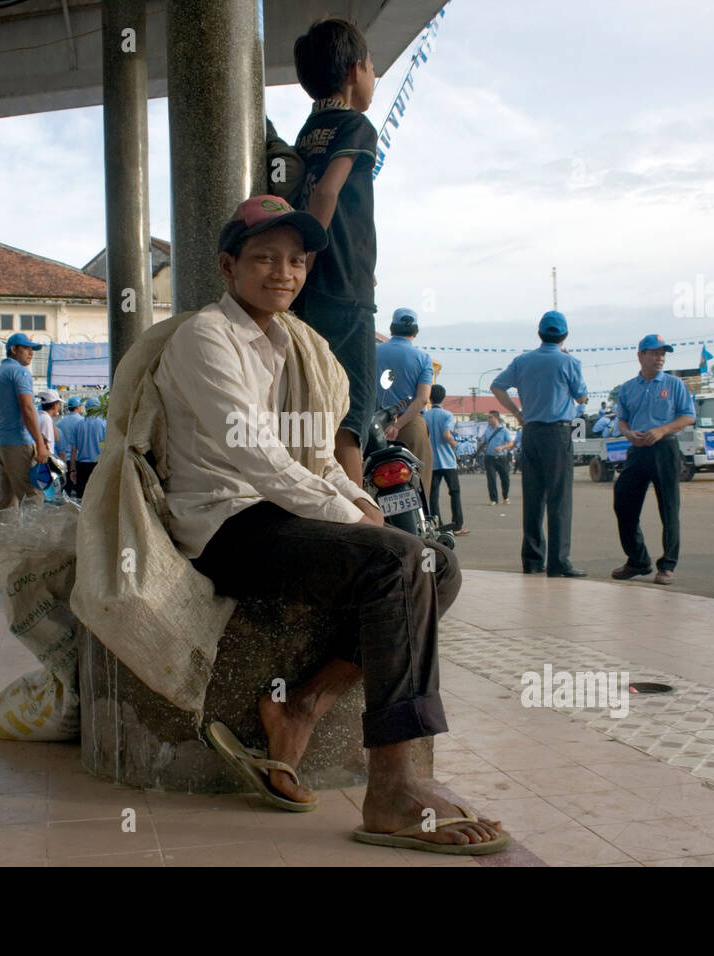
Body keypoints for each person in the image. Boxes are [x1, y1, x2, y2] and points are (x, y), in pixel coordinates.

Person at [151, 195, 504, 854]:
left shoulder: (285, 344)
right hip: (226, 524)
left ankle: (303, 704)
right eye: (264, 258)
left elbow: (309, 459)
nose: (282, 272)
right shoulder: (207, 336)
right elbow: (251, 455)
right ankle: (395, 788)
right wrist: (356, 518)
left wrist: (359, 500)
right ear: (229, 266)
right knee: (396, 562)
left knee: (434, 563)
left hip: (278, 510)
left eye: (296, 260)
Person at [291, 17, 379, 484]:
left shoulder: (308, 132)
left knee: (315, 411)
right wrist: (305, 258)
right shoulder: (356, 125)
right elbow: (327, 193)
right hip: (343, 290)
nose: (373, 78)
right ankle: (360, 525)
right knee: (351, 416)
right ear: (353, 71)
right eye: (371, 67)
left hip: (313, 296)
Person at [490, 310, 589, 577]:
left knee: (533, 498)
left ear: (539, 333)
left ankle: (532, 560)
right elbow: (581, 398)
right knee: (559, 499)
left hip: (530, 431)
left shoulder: (523, 361)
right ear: (564, 336)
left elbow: (496, 386)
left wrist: (517, 413)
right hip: (557, 433)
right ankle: (559, 562)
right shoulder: (569, 362)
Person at [609, 335, 697, 586]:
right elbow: (622, 420)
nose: (660, 358)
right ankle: (637, 560)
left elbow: (688, 416)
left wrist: (662, 430)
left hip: (665, 448)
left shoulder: (674, 384)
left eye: (663, 354)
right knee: (623, 503)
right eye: (654, 353)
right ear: (640, 356)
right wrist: (627, 433)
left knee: (669, 508)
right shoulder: (627, 388)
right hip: (637, 450)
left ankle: (667, 565)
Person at [0, 331, 50, 509]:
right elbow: (27, 408)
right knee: (32, 497)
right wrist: (40, 443)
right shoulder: (20, 372)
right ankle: (32, 537)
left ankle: (0, 537)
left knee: (7, 502)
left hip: (0, 444)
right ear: (13, 349)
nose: (30, 353)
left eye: (32, 349)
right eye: (26, 348)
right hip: (18, 443)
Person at [375, 308, 434, 494]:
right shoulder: (423, 358)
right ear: (415, 331)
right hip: (410, 424)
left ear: (392, 328)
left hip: (375, 426)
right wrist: (398, 425)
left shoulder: (373, 353)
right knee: (419, 484)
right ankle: (422, 520)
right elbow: (423, 398)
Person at [423, 384, 467, 534]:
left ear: (430, 398)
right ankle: (457, 525)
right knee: (454, 492)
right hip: (448, 461)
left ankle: (437, 525)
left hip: (432, 461)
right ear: (443, 397)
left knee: (433, 495)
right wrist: (456, 445)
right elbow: (447, 435)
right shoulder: (447, 415)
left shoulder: (425, 415)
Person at [73, 398, 107, 499]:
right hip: (99, 464)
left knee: (82, 497)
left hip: (82, 465)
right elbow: (107, 446)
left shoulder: (78, 425)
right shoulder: (104, 424)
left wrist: (72, 469)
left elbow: (74, 449)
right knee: (98, 496)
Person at [478, 411, 514, 505]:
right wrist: (480, 442)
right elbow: (483, 440)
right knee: (491, 479)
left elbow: (511, 443)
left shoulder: (504, 430)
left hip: (502, 457)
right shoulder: (487, 430)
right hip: (489, 458)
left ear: (496, 418)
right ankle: (494, 499)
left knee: (505, 478)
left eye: (490, 417)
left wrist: (502, 447)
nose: (488, 419)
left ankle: (505, 497)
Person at [57, 396, 84, 497]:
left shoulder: (60, 423)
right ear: (78, 407)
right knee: (80, 492)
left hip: (63, 460)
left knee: (65, 490)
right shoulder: (83, 422)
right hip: (77, 460)